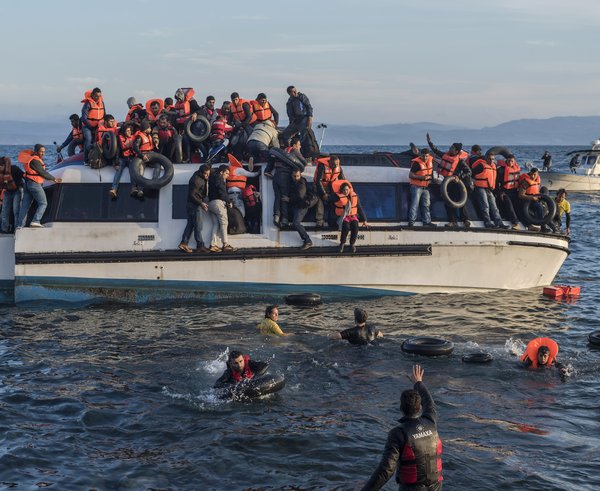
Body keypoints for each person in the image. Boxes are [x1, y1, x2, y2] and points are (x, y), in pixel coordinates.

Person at [361, 364, 443, 491]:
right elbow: (429, 402)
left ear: (401, 408)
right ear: (420, 407)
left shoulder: (398, 433)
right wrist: (419, 383)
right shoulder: (430, 422)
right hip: (436, 487)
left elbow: (386, 469)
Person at [426, 134, 472, 228]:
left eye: (452, 147)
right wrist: (430, 142)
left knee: (460, 202)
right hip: (447, 183)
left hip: (457, 184)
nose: (450, 148)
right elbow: (435, 150)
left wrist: (459, 176)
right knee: (448, 202)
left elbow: (468, 171)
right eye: (451, 147)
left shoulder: (460, 161)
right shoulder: (445, 155)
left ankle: (465, 220)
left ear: (456, 151)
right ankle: (453, 221)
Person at [17, 145, 62, 228]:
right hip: (34, 184)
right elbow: (42, 173)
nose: (43, 153)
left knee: (25, 206)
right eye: (41, 151)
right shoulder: (35, 161)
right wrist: (54, 179)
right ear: (36, 151)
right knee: (43, 203)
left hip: (28, 183)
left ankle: (20, 225)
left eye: (44, 152)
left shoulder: (31, 159)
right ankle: (35, 221)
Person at [178, 164, 211, 253]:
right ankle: (200, 246)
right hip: (194, 205)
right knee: (198, 226)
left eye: (208, 174)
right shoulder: (197, 180)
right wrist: (201, 203)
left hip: (190, 205)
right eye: (206, 174)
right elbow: (192, 195)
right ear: (201, 173)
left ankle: (184, 243)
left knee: (190, 225)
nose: (207, 176)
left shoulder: (199, 177)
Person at [470, 153, 508, 229]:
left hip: (489, 189)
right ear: (486, 159)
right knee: (485, 206)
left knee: (494, 206)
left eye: (493, 159)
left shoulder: (494, 167)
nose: (491, 161)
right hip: (480, 188)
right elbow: (471, 173)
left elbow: (495, 180)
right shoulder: (481, 166)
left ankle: (499, 223)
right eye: (489, 159)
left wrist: (497, 190)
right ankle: (487, 222)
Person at [290, 168, 323, 249]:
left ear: (300, 175)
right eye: (294, 176)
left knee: (296, 223)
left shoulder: (301, 183)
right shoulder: (295, 182)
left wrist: (289, 199)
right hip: (300, 204)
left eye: (297, 176)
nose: (296, 178)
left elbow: (300, 196)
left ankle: (307, 240)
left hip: (303, 205)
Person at [331, 180, 369, 253]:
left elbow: (359, 207)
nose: (346, 191)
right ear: (341, 190)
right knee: (346, 227)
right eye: (344, 190)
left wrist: (364, 220)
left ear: (349, 189)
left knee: (355, 227)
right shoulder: (337, 197)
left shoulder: (354, 196)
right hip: (343, 216)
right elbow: (331, 203)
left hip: (352, 216)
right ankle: (342, 244)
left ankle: (352, 244)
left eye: (347, 189)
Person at [207, 164, 236, 252]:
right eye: (226, 173)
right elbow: (222, 192)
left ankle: (213, 245)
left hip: (210, 203)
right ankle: (225, 244)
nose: (227, 176)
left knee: (216, 224)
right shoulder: (220, 179)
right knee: (224, 222)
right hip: (218, 203)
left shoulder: (212, 178)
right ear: (221, 172)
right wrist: (229, 202)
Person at [313, 155, 345, 227]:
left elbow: (342, 180)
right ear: (330, 162)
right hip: (320, 185)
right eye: (334, 164)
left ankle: (334, 219)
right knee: (320, 200)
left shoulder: (338, 167)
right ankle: (319, 220)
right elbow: (318, 181)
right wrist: (323, 193)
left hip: (330, 185)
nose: (336, 166)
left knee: (335, 199)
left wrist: (345, 189)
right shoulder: (322, 166)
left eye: (337, 164)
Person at [408, 149, 436, 227]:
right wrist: (421, 177)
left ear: (429, 155)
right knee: (414, 205)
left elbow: (431, 172)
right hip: (416, 187)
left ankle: (427, 221)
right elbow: (410, 175)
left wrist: (433, 180)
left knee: (426, 205)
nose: (425, 158)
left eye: (426, 156)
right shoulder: (417, 163)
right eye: (423, 156)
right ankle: (411, 222)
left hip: (425, 187)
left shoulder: (430, 161)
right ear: (420, 155)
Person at [495, 154, 521, 229]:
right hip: (505, 192)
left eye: (512, 161)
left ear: (514, 161)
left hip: (514, 191)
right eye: (508, 161)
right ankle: (515, 223)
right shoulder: (501, 170)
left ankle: (527, 224)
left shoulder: (517, 169)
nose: (510, 162)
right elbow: (497, 183)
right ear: (506, 161)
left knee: (518, 205)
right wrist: (500, 192)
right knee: (509, 205)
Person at [109, 123, 135, 199]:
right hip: (122, 158)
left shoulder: (133, 138)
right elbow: (117, 151)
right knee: (118, 172)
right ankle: (114, 189)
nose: (129, 132)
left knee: (133, 171)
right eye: (127, 131)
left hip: (130, 158)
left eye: (130, 131)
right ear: (124, 131)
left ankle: (134, 188)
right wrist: (116, 163)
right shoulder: (119, 138)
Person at [81, 88, 105, 163]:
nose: (98, 98)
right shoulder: (88, 104)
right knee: (89, 139)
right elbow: (84, 118)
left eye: (99, 96)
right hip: (87, 126)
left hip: (98, 126)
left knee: (99, 140)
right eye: (96, 96)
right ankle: (86, 160)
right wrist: (91, 127)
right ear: (92, 95)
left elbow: (105, 114)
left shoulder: (102, 103)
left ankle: (99, 157)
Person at [0, 157, 24, 233]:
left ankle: (16, 229)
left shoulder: (15, 169)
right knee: (4, 211)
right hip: (7, 192)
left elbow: (24, 176)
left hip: (17, 191)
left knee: (16, 210)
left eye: (1, 166)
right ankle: (4, 229)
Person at [518, 167, 543, 232]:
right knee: (522, 210)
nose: (532, 176)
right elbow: (520, 195)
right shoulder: (526, 182)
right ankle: (528, 225)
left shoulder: (537, 181)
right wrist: (531, 198)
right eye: (531, 174)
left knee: (541, 207)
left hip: (534, 200)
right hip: (525, 200)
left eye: (534, 175)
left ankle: (542, 225)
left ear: (537, 174)